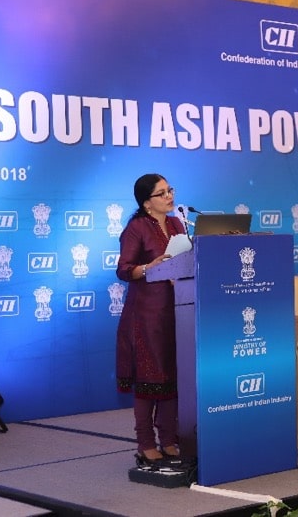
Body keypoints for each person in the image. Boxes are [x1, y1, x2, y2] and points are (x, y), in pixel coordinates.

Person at [116, 173, 187, 468]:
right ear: (147, 203)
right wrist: (150, 267)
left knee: (173, 376)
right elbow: (124, 270)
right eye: (162, 193)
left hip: (178, 311)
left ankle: (169, 439)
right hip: (146, 316)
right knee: (149, 379)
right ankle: (145, 443)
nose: (169, 196)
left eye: (170, 189)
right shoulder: (136, 228)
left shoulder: (176, 224)